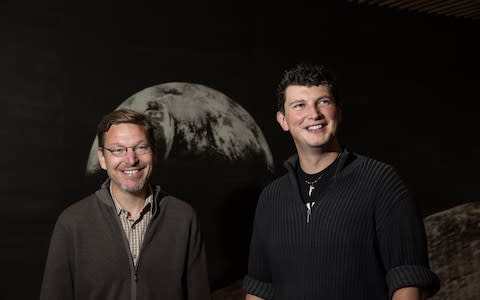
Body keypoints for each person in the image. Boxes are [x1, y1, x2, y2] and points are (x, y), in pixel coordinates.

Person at [242, 63, 440, 300]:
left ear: (339, 111)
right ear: (283, 120)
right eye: (299, 106)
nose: (313, 114)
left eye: (323, 102)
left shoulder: (381, 182)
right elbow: (259, 289)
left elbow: (408, 281)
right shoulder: (272, 197)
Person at [40, 108, 210, 300]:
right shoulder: (72, 222)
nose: (131, 159)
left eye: (141, 147)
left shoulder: (183, 217)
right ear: (103, 158)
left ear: (153, 153)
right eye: (118, 150)